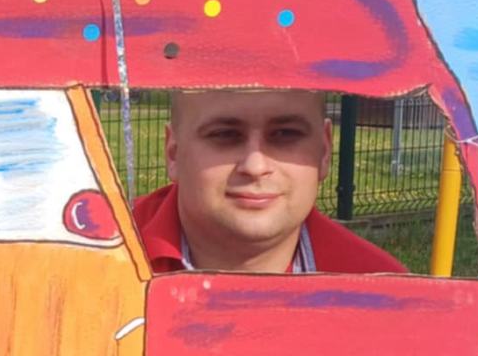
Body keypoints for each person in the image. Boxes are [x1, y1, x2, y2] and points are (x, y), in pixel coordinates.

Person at [132, 89, 406, 275]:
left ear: (324, 151)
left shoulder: (383, 298)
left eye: (285, 134)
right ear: (173, 153)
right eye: (225, 134)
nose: (255, 166)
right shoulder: (109, 260)